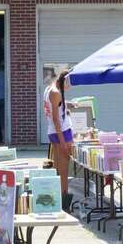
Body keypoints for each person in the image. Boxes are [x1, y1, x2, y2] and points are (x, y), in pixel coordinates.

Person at [44, 69, 75, 211]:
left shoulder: (50, 88)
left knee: (58, 168)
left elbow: (54, 107)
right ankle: (63, 204)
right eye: (69, 84)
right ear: (64, 81)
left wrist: (66, 106)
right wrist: (63, 142)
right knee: (63, 170)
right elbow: (56, 118)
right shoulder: (56, 93)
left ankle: (58, 200)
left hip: (54, 131)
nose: (70, 88)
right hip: (61, 132)